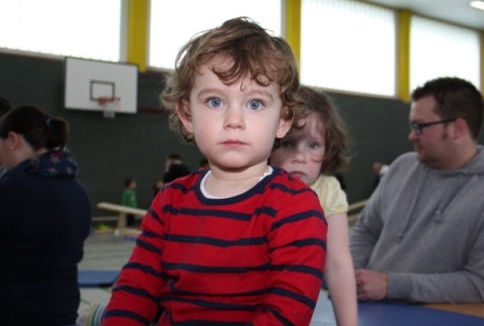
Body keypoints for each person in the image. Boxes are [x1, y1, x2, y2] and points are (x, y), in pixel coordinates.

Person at [102, 17, 327, 325]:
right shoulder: (170, 201)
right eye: (215, 101)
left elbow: (286, 315)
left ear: (283, 120)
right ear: (187, 115)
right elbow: (135, 289)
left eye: (255, 104)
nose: (234, 120)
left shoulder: (295, 207)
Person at [350, 77, 484, 303]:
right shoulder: (401, 167)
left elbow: (477, 284)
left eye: (420, 126)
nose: (412, 135)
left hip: (434, 315)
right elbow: (367, 230)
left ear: (457, 128)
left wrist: (390, 285)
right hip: (367, 308)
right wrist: (351, 276)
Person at [270, 86, 358, 326]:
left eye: (313, 145)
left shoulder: (327, 191)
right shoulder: (256, 184)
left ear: (328, 148)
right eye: (288, 144)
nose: (300, 157)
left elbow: (338, 265)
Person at [0, 105, 91, 324]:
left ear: (13, 140)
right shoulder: (78, 190)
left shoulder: (14, 188)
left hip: (17, 315)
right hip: (63, 312)